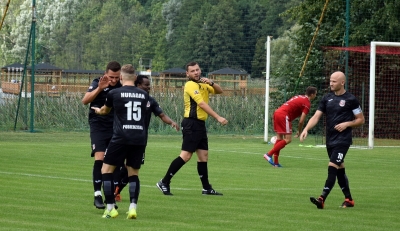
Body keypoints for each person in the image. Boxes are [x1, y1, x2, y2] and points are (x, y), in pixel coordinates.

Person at [156, 61, 228, 196]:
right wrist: (218, 117)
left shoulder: (204, 84)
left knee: (203, 156)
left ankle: (206, 188)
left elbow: (220, 91)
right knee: (186, 156)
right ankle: (164, 182)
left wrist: (211, 83)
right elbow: (200, 103)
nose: (196, 72)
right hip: (191, 123)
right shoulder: (190, 85)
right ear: (187, 73)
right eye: (193, 71)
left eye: (197, 70)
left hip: (200, 124)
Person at [300, 71, 365, 209]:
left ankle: (321, 198)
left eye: (334, 81)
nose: (331, 83)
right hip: (330, 140)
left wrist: (347, 124)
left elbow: (360, 120)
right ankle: (349, 199)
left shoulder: (351, 99)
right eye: (330, 80)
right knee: (340, 169)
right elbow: (316, 117)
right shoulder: (326, 98)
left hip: (343, 141)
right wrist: (306, 129)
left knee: (332, 167)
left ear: (342, 82)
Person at [91, 64, 149, 219]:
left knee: (106, 170)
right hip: (139, 138)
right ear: (136, 78)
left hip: (120, 137)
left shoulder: (115, 93)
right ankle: (132, 208)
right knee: (133, 174)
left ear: (121, 78)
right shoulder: (144, 95)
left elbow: (105, 111)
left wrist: (98, 110)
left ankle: (110, 207)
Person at [114, 75, 180, 198]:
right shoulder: (127, 97)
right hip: (123, 137)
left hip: (140, 140)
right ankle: (113, 189)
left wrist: (171, 122)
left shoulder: (150, 100)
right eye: (146, 85)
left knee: (132, 167)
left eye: (149, 85)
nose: (149, 87)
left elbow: (161, 115)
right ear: (138, 85)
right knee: (121, 166)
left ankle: (115, 191)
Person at [81, 61, 122, 209]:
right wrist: (99, 89)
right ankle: (97, 195)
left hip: (115, 127)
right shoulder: (97, 82)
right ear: (106, 74)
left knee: (114, 161)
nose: (114, 80)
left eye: (117, 77)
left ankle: (110, 197)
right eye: (111, 77)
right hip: (98, 125)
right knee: (100, 157)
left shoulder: (121, 86)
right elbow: (85, 101)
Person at [263, 86, 317, 167]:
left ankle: (276, 163)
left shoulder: (298, 96)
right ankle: (269, 154)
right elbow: (301, 121)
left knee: (279, 139)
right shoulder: (307, 103)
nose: (316, 96)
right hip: (284, 115)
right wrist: (299, 131)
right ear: (312, 94)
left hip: (277, 113)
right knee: (288, 139)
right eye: (315, 94)